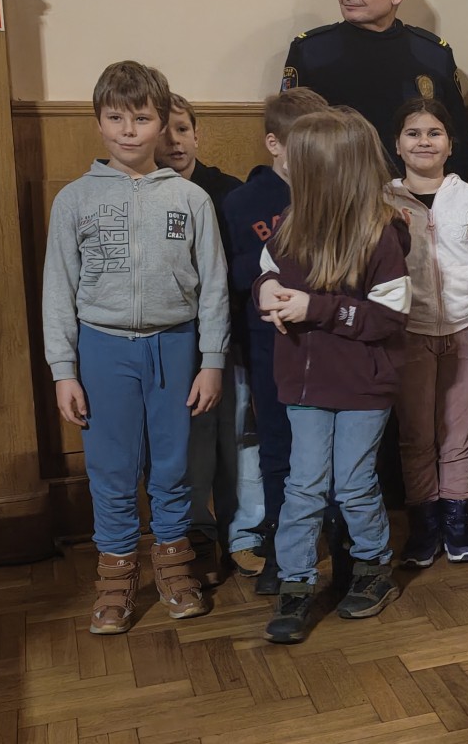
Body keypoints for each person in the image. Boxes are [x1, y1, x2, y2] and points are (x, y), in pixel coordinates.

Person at [42, 60, 227, 634]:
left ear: (162, 123)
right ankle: (116, 580)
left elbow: (214, 286)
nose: (128, 130)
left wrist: (212, 360)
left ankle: (174, 569)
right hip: (103, 350)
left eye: (142, 118)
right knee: (112, 469)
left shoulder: (190, 199)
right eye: (116, 118)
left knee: (173, 466)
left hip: (176, 348)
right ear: (98, 121)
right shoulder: (74, 200)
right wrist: (63, 370)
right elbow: (58, 288)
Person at [256, 108, 413, 644]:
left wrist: (315, 309)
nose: (286, 169)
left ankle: (373, 568)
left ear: (327, 172)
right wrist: (265, 291)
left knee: (353, 484)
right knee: (302, 487)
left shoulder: (382, 235)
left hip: (363, 387)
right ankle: (296, 583)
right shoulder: (289, 225)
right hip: (304, 386)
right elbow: (266, 273)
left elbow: (389, 318)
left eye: (297, 164)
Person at [383, 98, 468, 567]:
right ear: (397, 144)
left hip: (463, 333)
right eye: (413, 133)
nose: (424, 142)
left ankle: (457, 522)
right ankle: (424, 524)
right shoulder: (383, 200)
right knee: (416, 435)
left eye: (434, 133)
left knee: (459, 432)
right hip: (408, 333)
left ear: (450, 145)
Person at [220, 87, 332, 595]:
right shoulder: (243, 202)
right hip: (269, 344)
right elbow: (230, 273)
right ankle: (279, 545)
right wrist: (277, 262)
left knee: (330, 445)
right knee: (277, 446)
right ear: (274, 143)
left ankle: (334, 537)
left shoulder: (334, 192)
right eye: (301, 142)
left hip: (329, 341)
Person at [159, 94, 259, 584]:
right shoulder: (147, 195)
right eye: (165, 132)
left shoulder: (229, 192)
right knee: (192, 442)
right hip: (179, 341)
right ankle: (199, 533)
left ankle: (247, 533)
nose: (174, 142)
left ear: (197, 134)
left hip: (233, 338)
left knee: (242, 435)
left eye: (182, 129)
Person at [282, 0, 468, 183]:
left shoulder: (433, 54)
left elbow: (456, 140)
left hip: (416, 192)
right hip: (335, 190)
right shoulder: (311, 51)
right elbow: (288, 137)